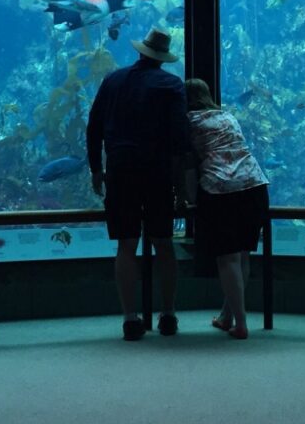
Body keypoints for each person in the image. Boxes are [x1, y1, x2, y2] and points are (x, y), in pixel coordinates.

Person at [87, 28, 189, 341]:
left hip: (120, 170)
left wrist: (96, 169)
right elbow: (179, 139)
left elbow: (94, 127)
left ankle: (130, 319)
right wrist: (182, 186)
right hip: (157, 173)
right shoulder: (171, 85)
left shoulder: (113, 81)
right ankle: (168, 314)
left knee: (126, 245)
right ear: (162, 57)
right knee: (163, 242)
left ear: (141, 51)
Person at [184, 78, 269, 340]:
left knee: (228, 258)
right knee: (242, 256)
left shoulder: (188, 122)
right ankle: (227, 316)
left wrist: (190, 199)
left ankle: (241, 323)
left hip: (222, 189)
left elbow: (187, 165)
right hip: (255, 185)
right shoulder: (227, 116)